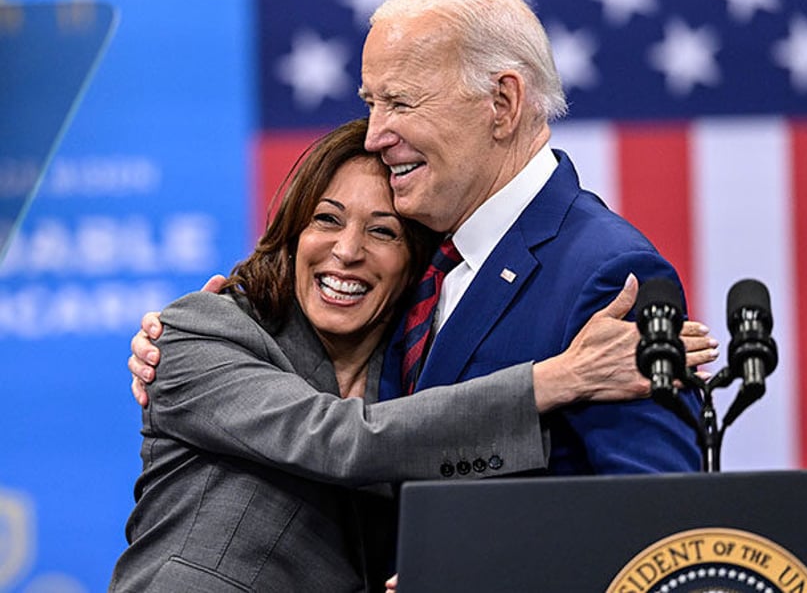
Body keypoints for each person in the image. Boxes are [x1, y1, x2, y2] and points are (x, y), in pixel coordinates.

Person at [111, 118, 690, 593]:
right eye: (326, 220)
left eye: (383, 232)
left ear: (416, 264)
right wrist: (558, 379)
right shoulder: (199, 331)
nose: (346, 251)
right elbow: (341, 440)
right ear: (291, 232)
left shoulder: (411, 376)